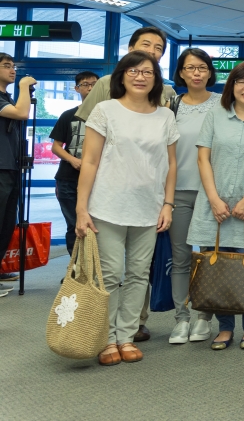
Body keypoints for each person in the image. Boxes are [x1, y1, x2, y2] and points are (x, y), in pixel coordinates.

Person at [75, 51, 178, 366]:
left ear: (156, 79)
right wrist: (81, 208)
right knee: (108, 275)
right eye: (133, 70)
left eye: (147, 72)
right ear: (121, 76)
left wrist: (168, 204)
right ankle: (106, 339)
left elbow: (171, 164)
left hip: (149, 208)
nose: (140, 76)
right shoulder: (105, 110)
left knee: (138, 275)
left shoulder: (165, 116)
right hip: (108, 205)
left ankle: (126, 336)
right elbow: (89, 161)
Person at [187, 62, 244, 350]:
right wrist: (214, 199)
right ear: (232, 85)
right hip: (214, 204)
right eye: (242, 81)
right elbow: (203, 159)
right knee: (217, 266)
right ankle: (225, 328)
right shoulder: (215, 115)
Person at [167, 49, 219, 345]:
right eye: (190, 68)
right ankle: (181, 317)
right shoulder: (171, 106)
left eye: (202, 67)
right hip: (178, 192)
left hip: (212, 193)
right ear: (181, 73)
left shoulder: (223, 104)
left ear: (210, 72)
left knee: (209, 256)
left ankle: (204, 317)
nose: (196, 73)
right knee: (181, 258)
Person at [49, 72, 98, 256]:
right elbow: (56, 147)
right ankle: (76, 268)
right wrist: (72, 159)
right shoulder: (68, 115)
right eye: (85, 84)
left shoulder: (105, 116)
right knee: (74, 225)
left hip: (97, 180)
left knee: (97, 225)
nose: (90, 88)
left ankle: (95, 268)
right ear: (77, 89)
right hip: (68, 180)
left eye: (94, 84)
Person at [0, 55, 37, 288]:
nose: (12, 70)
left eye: (13, 66)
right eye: (6, 66)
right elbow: (22, 113)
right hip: (1, 168)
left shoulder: (7, 97)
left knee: (7, 224)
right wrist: (24, 85)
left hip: (11, 167)